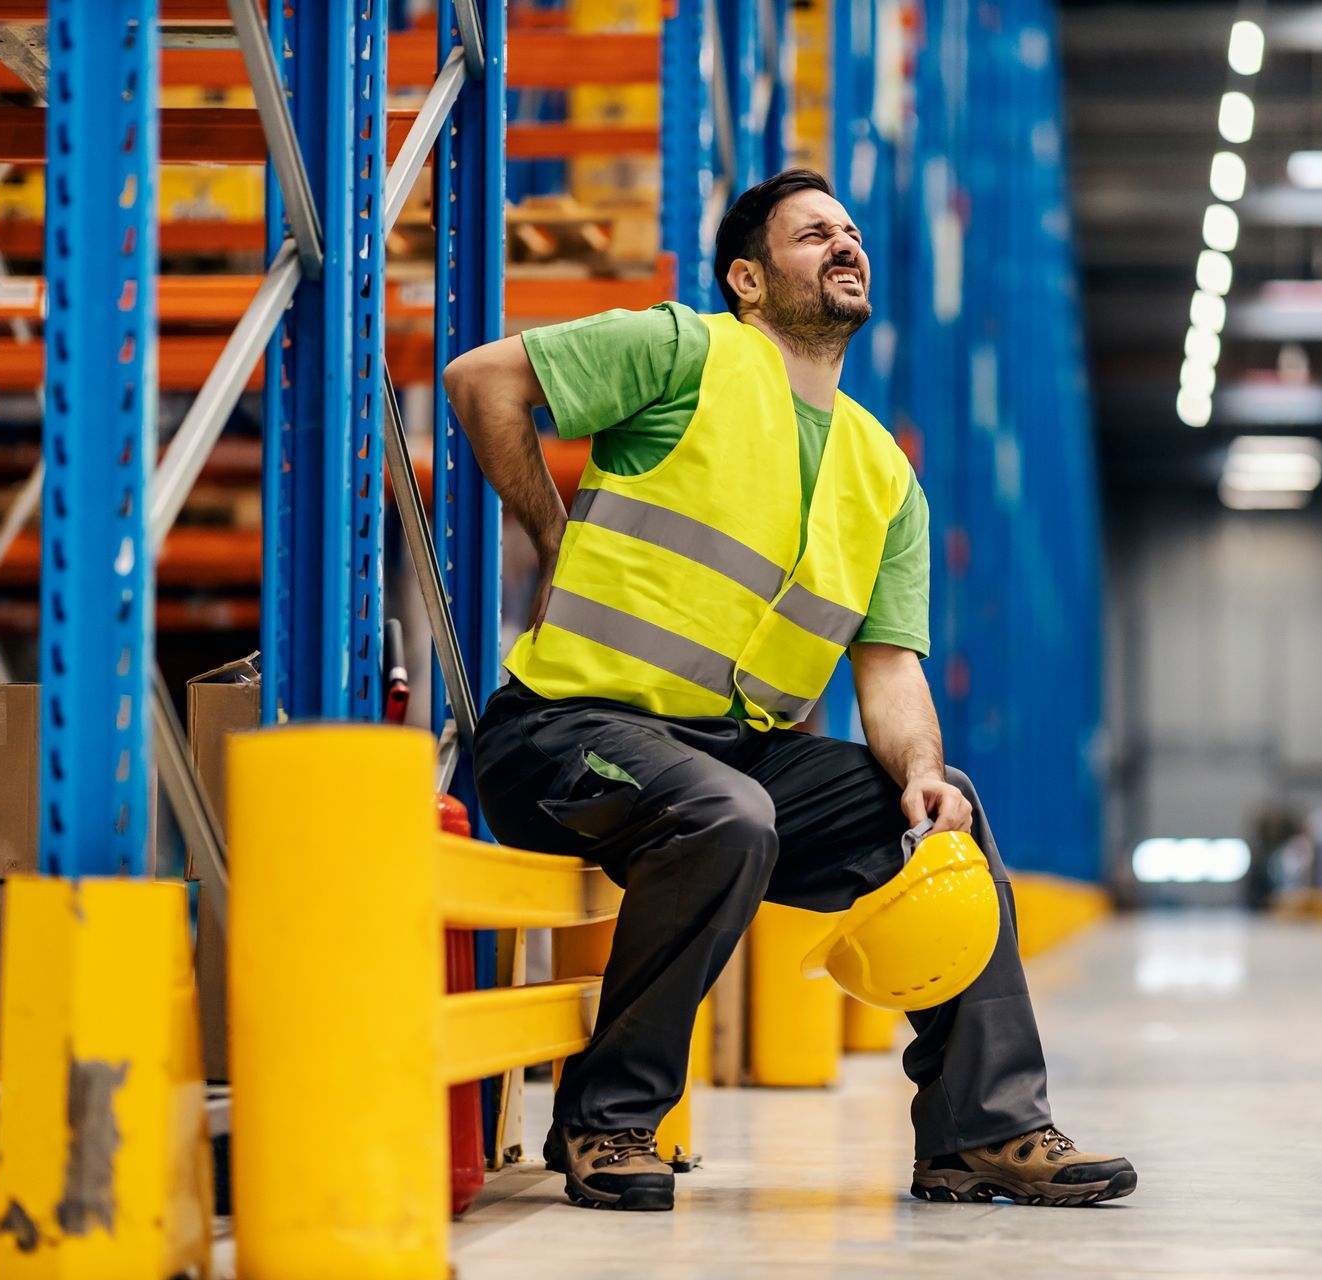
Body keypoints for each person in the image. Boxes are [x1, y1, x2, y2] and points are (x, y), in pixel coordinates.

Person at [442, 169, 1135, 1212]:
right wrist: (550, 530)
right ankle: (608, 1118)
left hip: (730, 754)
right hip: (562, 735)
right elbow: (481, 378)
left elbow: (891, 665)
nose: (844, 244)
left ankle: (981, 1128)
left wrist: (922, 777)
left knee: (946, 823)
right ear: (750, 281)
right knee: (731, 812)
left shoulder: (882, 472)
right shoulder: (686, 350)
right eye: (814, 234)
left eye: (851, 232)